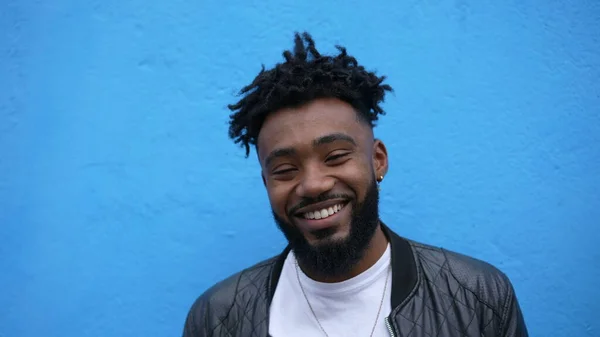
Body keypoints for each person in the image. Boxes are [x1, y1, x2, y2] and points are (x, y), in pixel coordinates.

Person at [182, 32, 528, 337]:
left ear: (377, 160)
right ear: (266, 183)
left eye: (335, 157)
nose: (313, 185)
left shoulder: (478, 296)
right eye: (285, 169)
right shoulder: (217, 319)